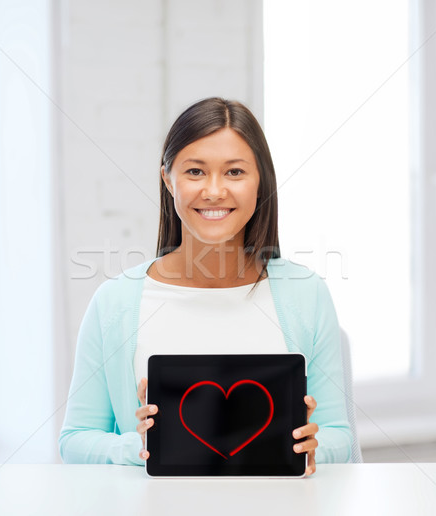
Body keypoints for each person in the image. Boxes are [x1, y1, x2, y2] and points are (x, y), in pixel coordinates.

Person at [59, 97, 352, 474]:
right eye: (195, 172)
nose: (214, 191)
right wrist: (142, 446)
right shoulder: (115, 302)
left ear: (260, 180)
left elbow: (339, 435)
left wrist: (313, 445)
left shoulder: (306, 293)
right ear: (168, 178)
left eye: (234, 172)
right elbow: (76, 439)